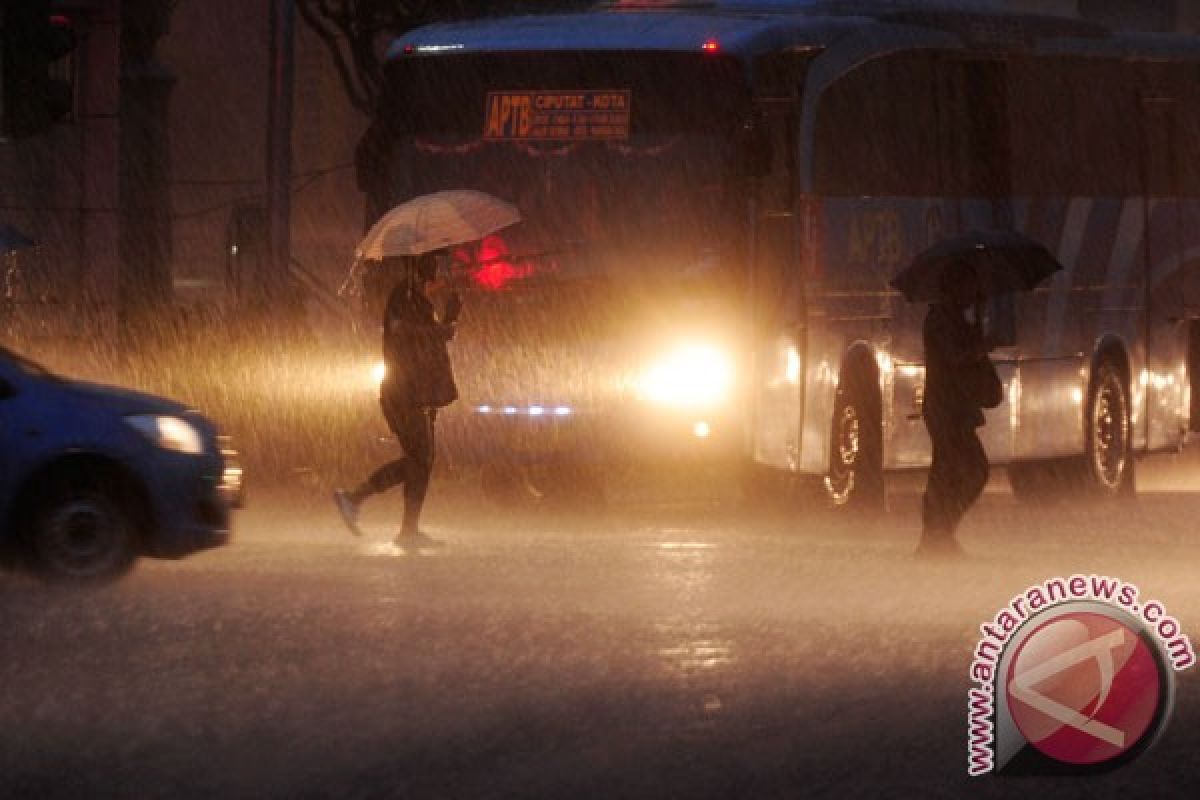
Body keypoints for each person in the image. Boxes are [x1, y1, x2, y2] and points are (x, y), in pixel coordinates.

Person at [334, 252, 462, 549]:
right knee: (421, 459)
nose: (441, 273)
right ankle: (357, 499)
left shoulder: (419, 301)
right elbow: (403, 333)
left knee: (421, 461)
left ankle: (399, 523)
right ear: (423, 270)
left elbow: (431, 339)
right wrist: (442, 328)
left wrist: (451, 317)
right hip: (404, 392)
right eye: (436, 267)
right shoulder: (402, 296)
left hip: (420, 390)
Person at [918, 267, 994, 558]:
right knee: (970, 470)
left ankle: (937, 534)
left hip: (951, 407)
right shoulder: (939, 321)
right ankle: (939, 532)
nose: (973, 295)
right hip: (947, 408)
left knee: (949, 472)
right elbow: (953, 359)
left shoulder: (951, 319)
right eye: (969, 287)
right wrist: (978, 348)